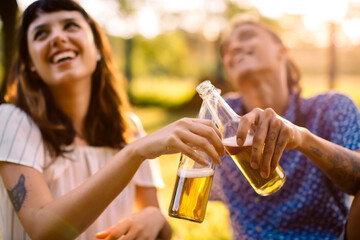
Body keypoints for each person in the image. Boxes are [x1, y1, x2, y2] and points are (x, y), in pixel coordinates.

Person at [0, 0, 224, 239]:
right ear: (30, 63)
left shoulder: (128, 127)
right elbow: (42, 229)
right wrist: (134, 152)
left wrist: (155, 218)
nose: (57, 38)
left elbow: (162, 230)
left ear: (97, 49)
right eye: (41, 33)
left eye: (70, 26)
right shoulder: (12, 119)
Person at [209, 18, 360, 239]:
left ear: (282, 51)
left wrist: (302, 139)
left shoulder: (331, 109)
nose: (233, 48)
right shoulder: (219, 119)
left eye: (246, 36)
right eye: (226, 50)